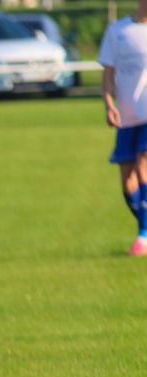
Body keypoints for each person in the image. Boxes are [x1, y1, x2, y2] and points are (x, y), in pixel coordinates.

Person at [99, 0, 147, 257]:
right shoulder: (117, 30)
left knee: (143, 166)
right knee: (127, 181)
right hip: (126, 117)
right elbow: (108, 72)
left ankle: (143, 236)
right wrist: (108, 104)